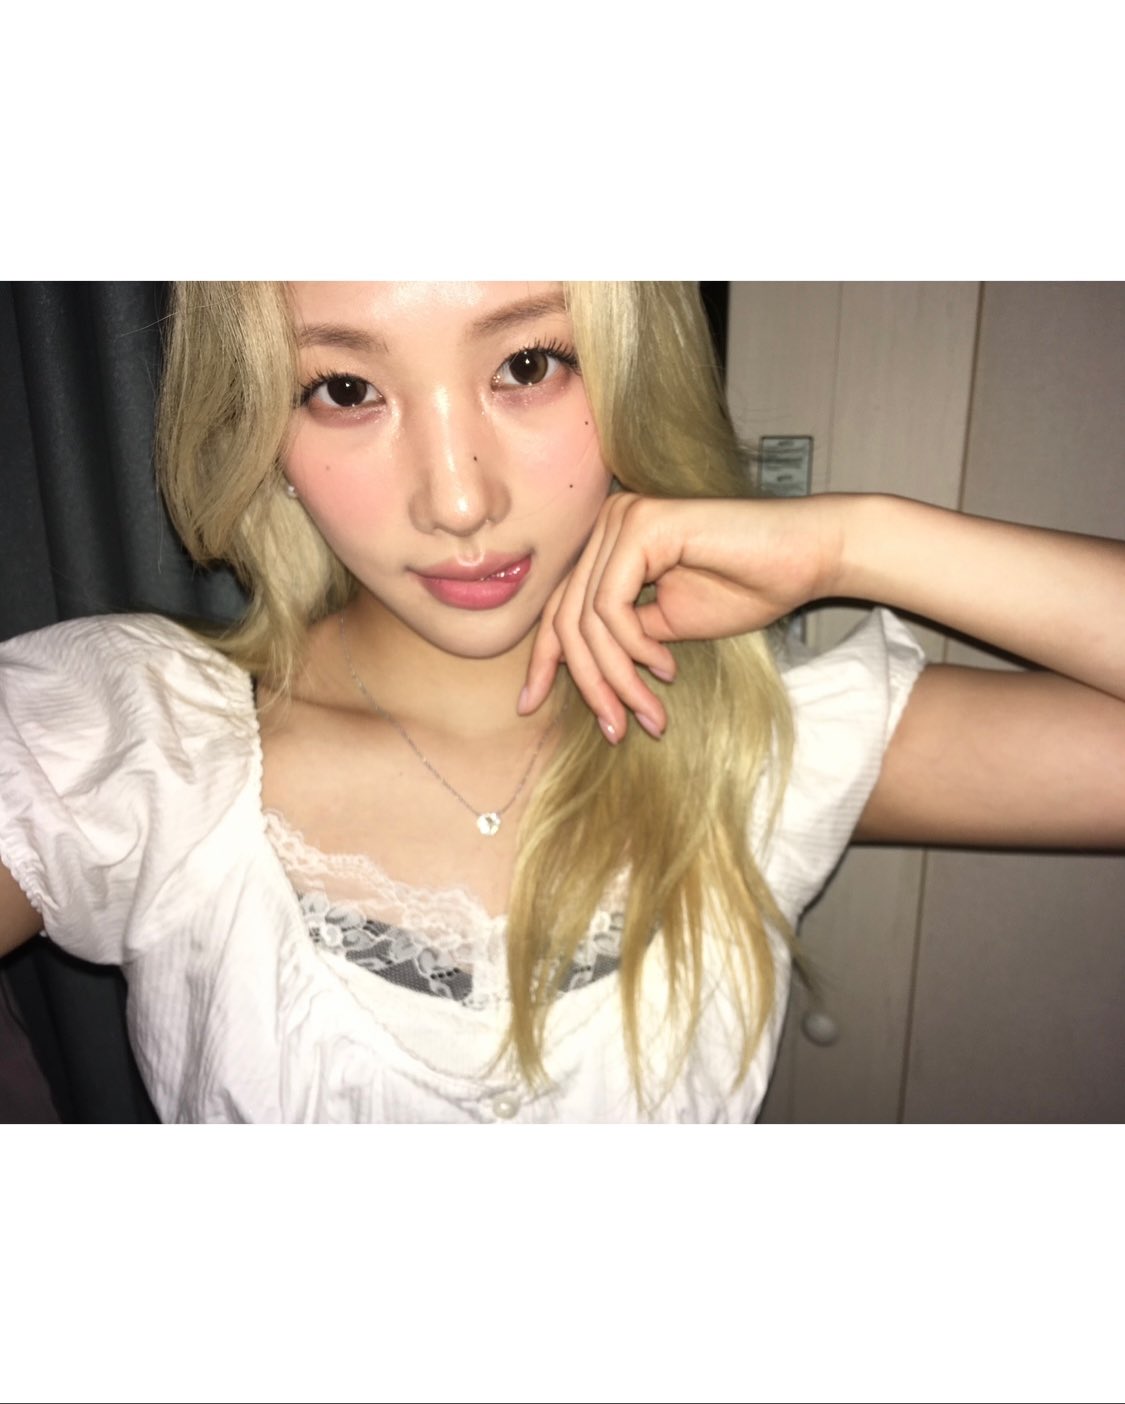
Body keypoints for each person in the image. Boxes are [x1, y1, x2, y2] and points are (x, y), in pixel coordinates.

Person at [0, 280, 1122, 1123]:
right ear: (263, 427)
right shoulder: (142, 748)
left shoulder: (751, 743)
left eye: (529, 365)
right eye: (345, 390)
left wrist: (856, 542)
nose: (456, 499)